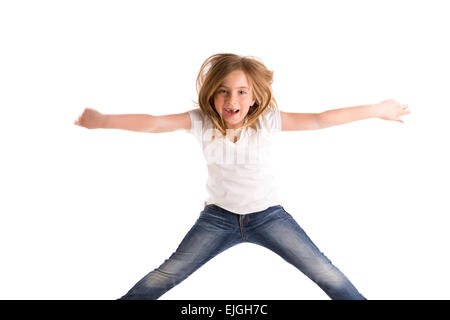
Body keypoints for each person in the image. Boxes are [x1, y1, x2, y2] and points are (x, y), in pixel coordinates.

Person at [74, 53, 410, 300]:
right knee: (167, 273)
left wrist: (377, 110)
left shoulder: (267, 122)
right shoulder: (200, 121)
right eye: (223, 91)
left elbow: (322, 119)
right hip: (217, 219)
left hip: (269, 216)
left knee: (325, 272)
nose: (231, 99)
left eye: (241, 92)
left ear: (254, 97)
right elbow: (154, 122)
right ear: (211, 95)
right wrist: (104, 120)